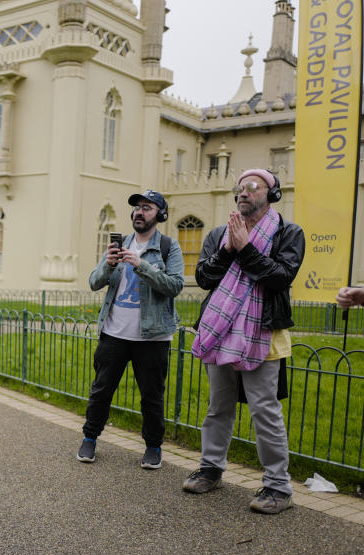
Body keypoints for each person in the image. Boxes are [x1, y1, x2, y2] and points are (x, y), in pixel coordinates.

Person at [184, 169, 305, 514]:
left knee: (264, 411)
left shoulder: (288, 233)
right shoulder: (220, 234)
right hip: (219, 333)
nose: (244, 192)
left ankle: (278, 487)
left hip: (263, 335)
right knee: (218, 407)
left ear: (272, 194)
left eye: (253, 187)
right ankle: (211, 468)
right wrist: (228, 250)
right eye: (240, 187)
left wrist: (246, 249)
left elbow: (281, 277)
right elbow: (204, 277)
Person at [75, 190, 184, 469]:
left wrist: (143, 265)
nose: (139, 212)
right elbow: (93, 282)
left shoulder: (169, 247)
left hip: (153, 336)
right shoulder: (119, 244)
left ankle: (153, 447)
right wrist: (109, 266)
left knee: (151, 396)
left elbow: (175, 286)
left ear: (160, 214)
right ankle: (89, 439)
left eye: (147, 208)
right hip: (114, 333)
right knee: (101, 390)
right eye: (137, 207)